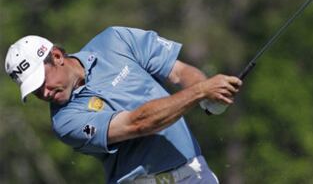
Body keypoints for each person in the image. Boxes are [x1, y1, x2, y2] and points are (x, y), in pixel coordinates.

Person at [4, 26, 242, 184]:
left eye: (42, 81)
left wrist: (209, 94)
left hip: (195, 173)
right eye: (35, 91)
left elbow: (179, 72)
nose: (44, 93)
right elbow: (138, 123)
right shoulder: (65, 122)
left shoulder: (114, 40)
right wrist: (200, 92)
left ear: (56, 56)